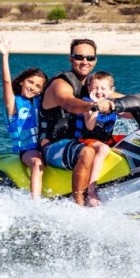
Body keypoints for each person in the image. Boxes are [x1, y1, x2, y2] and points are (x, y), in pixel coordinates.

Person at [39, 39, 115, 207]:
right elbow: (68, 102)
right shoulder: (60, 84)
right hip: (52, 145)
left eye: (89, 57)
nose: (85, 62)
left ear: (95, 60)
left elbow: (117, 97)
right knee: (87, 152)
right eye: (79, 57)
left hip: (76, 142)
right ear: (71, 58)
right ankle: (79, 206)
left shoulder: (91, 86)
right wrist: (93, 106)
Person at [0, 35, 48, 199]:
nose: (33, 87)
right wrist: (5, 57)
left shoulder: (39, 101)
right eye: (30, 82)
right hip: (27, 149)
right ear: (21, 82)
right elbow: (5, 82)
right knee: (37, 163)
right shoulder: (13, 103)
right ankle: (34, 202)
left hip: (45, 145)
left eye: (38, 86)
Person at [75, 71, 122, 201]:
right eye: (95, 87)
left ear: (111, 90)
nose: (99, 91)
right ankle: (91, 191)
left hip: (105, 140)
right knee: (104, 149)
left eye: (103, 88)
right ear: (89, 88)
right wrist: (95, 106)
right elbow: (89, 126)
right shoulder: (87, 103)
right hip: (86, 139)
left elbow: (130, 114)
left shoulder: (113, 103)